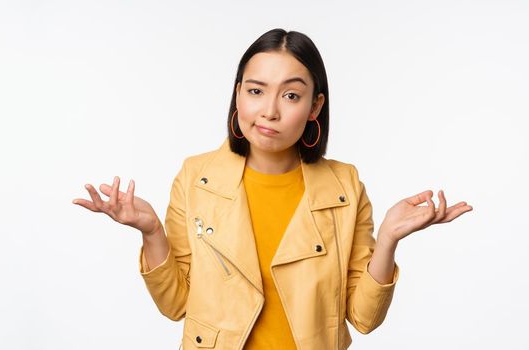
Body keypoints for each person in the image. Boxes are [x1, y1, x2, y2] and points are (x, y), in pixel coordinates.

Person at [72, 28, 472, 349]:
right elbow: (177, 304)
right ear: (237, 94)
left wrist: (387, 241)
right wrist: (152, 231)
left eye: (291, 95)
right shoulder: (197, 177)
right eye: (256, 90)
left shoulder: (345, 185)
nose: (270, 110)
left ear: (314, 107)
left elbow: (364, 319)